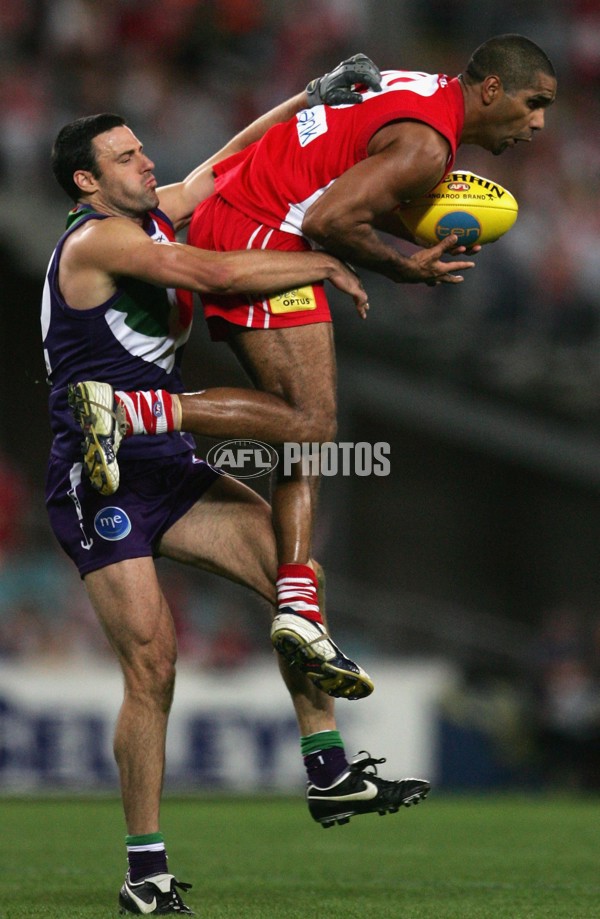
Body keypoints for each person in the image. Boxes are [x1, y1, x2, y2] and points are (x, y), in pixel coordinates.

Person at [42, 57, 430, 917]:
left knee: (296, 581)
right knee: (155, 666)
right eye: (127, 157)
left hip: (163, 458)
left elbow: (229, 164)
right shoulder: (98, 238)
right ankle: (145, 873)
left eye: (143, 150)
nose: (147, 163)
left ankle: (328, 769)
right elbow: (214, 277)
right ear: (86, 181)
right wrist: (317, 266)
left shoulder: (142, 214)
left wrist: (312, 97)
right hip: (94, 471)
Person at [76, 34, 556, 686]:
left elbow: (336, 161)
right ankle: (134, 411)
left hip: (253, 205)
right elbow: (332, 218)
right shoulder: (428, 145)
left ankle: (298, 599)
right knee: (314, 423)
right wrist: (405, 266)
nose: (539, 124)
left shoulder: (421, 90)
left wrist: (396, 210)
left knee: (307, 423)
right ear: (493, 89)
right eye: (534, 103)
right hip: (263, 223)